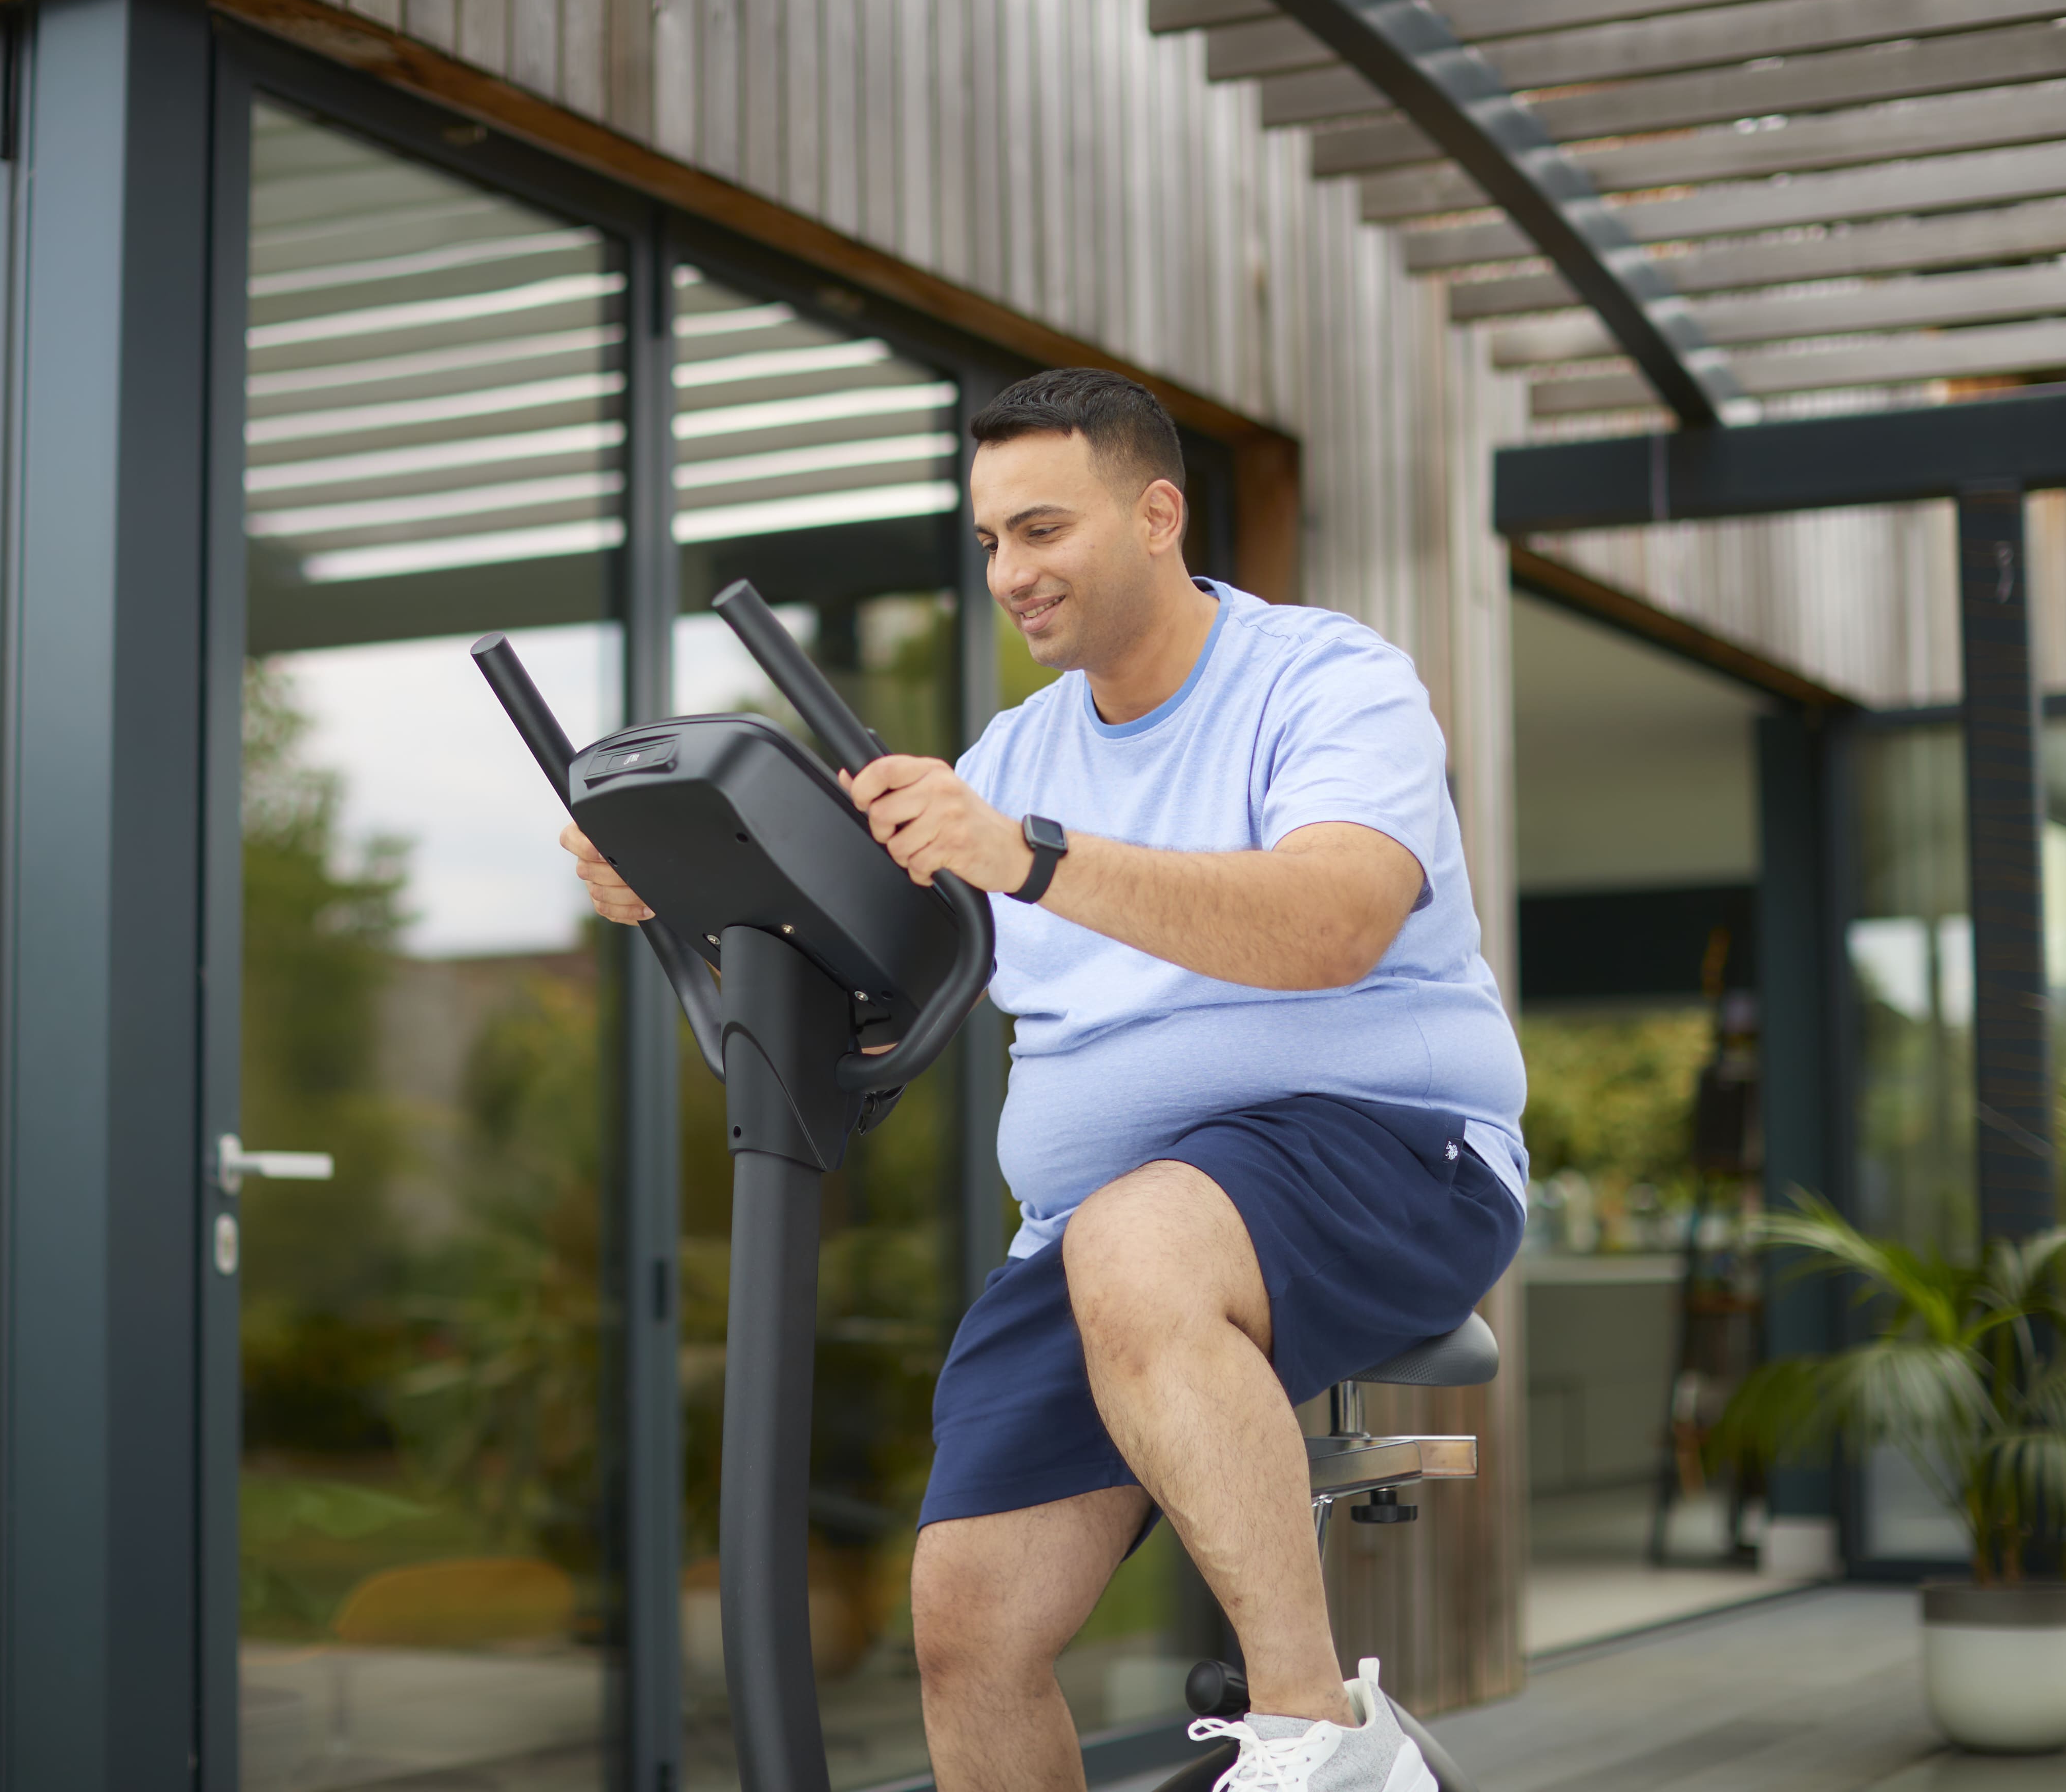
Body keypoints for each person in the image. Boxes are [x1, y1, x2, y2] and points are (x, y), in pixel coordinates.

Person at [563, 367, 1526, 1792]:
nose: (1011, 575)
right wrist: (682, 880)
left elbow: (1335, 923)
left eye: (1042, 530)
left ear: (1155, 515)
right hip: (1097, 1242)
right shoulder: (1018, 753)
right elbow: (875, 979)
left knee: (1139, 1238)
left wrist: (1033, 856)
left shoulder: (1324, 678)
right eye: (991, 543)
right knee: (971, 1622)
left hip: (1389, 1153)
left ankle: (1323, 1738)